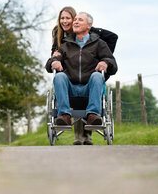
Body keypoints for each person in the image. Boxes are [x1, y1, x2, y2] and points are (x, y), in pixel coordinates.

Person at [45, 12, 118, 144]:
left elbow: (112, 63)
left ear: (89, 25)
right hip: (70, 88)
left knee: (97, 76)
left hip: (89, 88)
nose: (75, 22)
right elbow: (51, 61)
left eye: (80, 20)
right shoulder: (66, 45)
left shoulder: (99, 43)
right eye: (75, 20)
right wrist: (54, 62)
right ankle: (64, 116)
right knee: (59, 76)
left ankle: (93, 115)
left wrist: (105, 63)